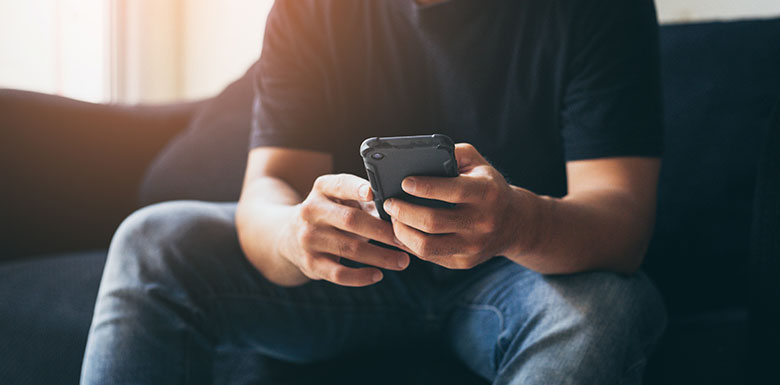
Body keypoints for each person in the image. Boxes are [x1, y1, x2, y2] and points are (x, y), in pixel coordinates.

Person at [81, 0, 667, 383]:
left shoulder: (599, 8)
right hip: (351, 273)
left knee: (608, 306)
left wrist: (518, 224)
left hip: (519, 273)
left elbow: (623, 222)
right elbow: (268, 187)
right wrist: (294, 234)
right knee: (151, 240)